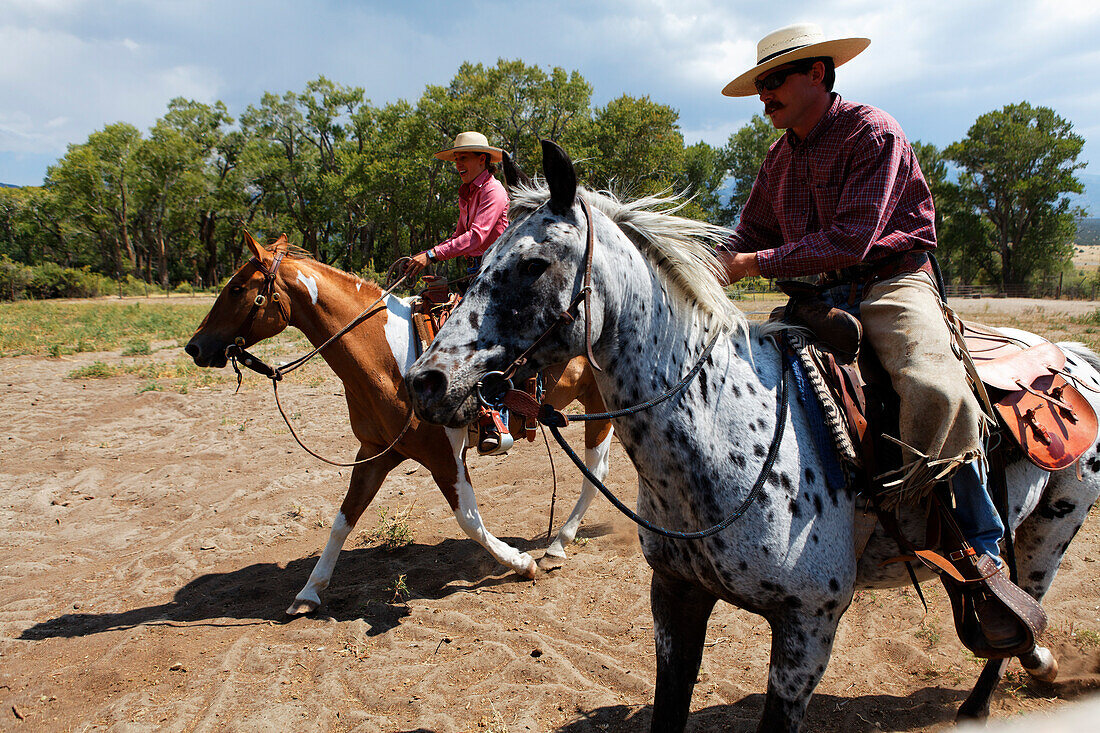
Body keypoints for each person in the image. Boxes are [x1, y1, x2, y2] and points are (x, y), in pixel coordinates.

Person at [717, 23, 1028, 648]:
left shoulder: (871, 132)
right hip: (817, 295)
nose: (763, 96)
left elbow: (850, 240)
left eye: (774, 81)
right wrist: (691, 253)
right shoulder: (778, 158)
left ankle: (980, 546)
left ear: (818, 74)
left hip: (890, 282)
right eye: (759, 84)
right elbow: (747, 234)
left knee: (937, 391)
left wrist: (750, 265)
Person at [405, 131, 513, 455]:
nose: (458, 164)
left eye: (463, 158)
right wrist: (440, 267)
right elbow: (459, 235)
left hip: (497, 275)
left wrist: (433, 253)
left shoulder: (494, 191)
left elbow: (478, 238)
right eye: (455, 159)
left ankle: (496, 417)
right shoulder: (466, 194)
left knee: (482, 337)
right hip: (473, 274)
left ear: (482, 159)